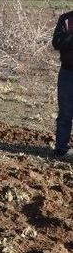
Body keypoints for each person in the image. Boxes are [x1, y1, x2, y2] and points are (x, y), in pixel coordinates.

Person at [52, 10, 73, 160]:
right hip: (68, 72)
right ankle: (61, 150)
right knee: (65, 113)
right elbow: (57, 42)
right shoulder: (66, 19)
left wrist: (68, 38)